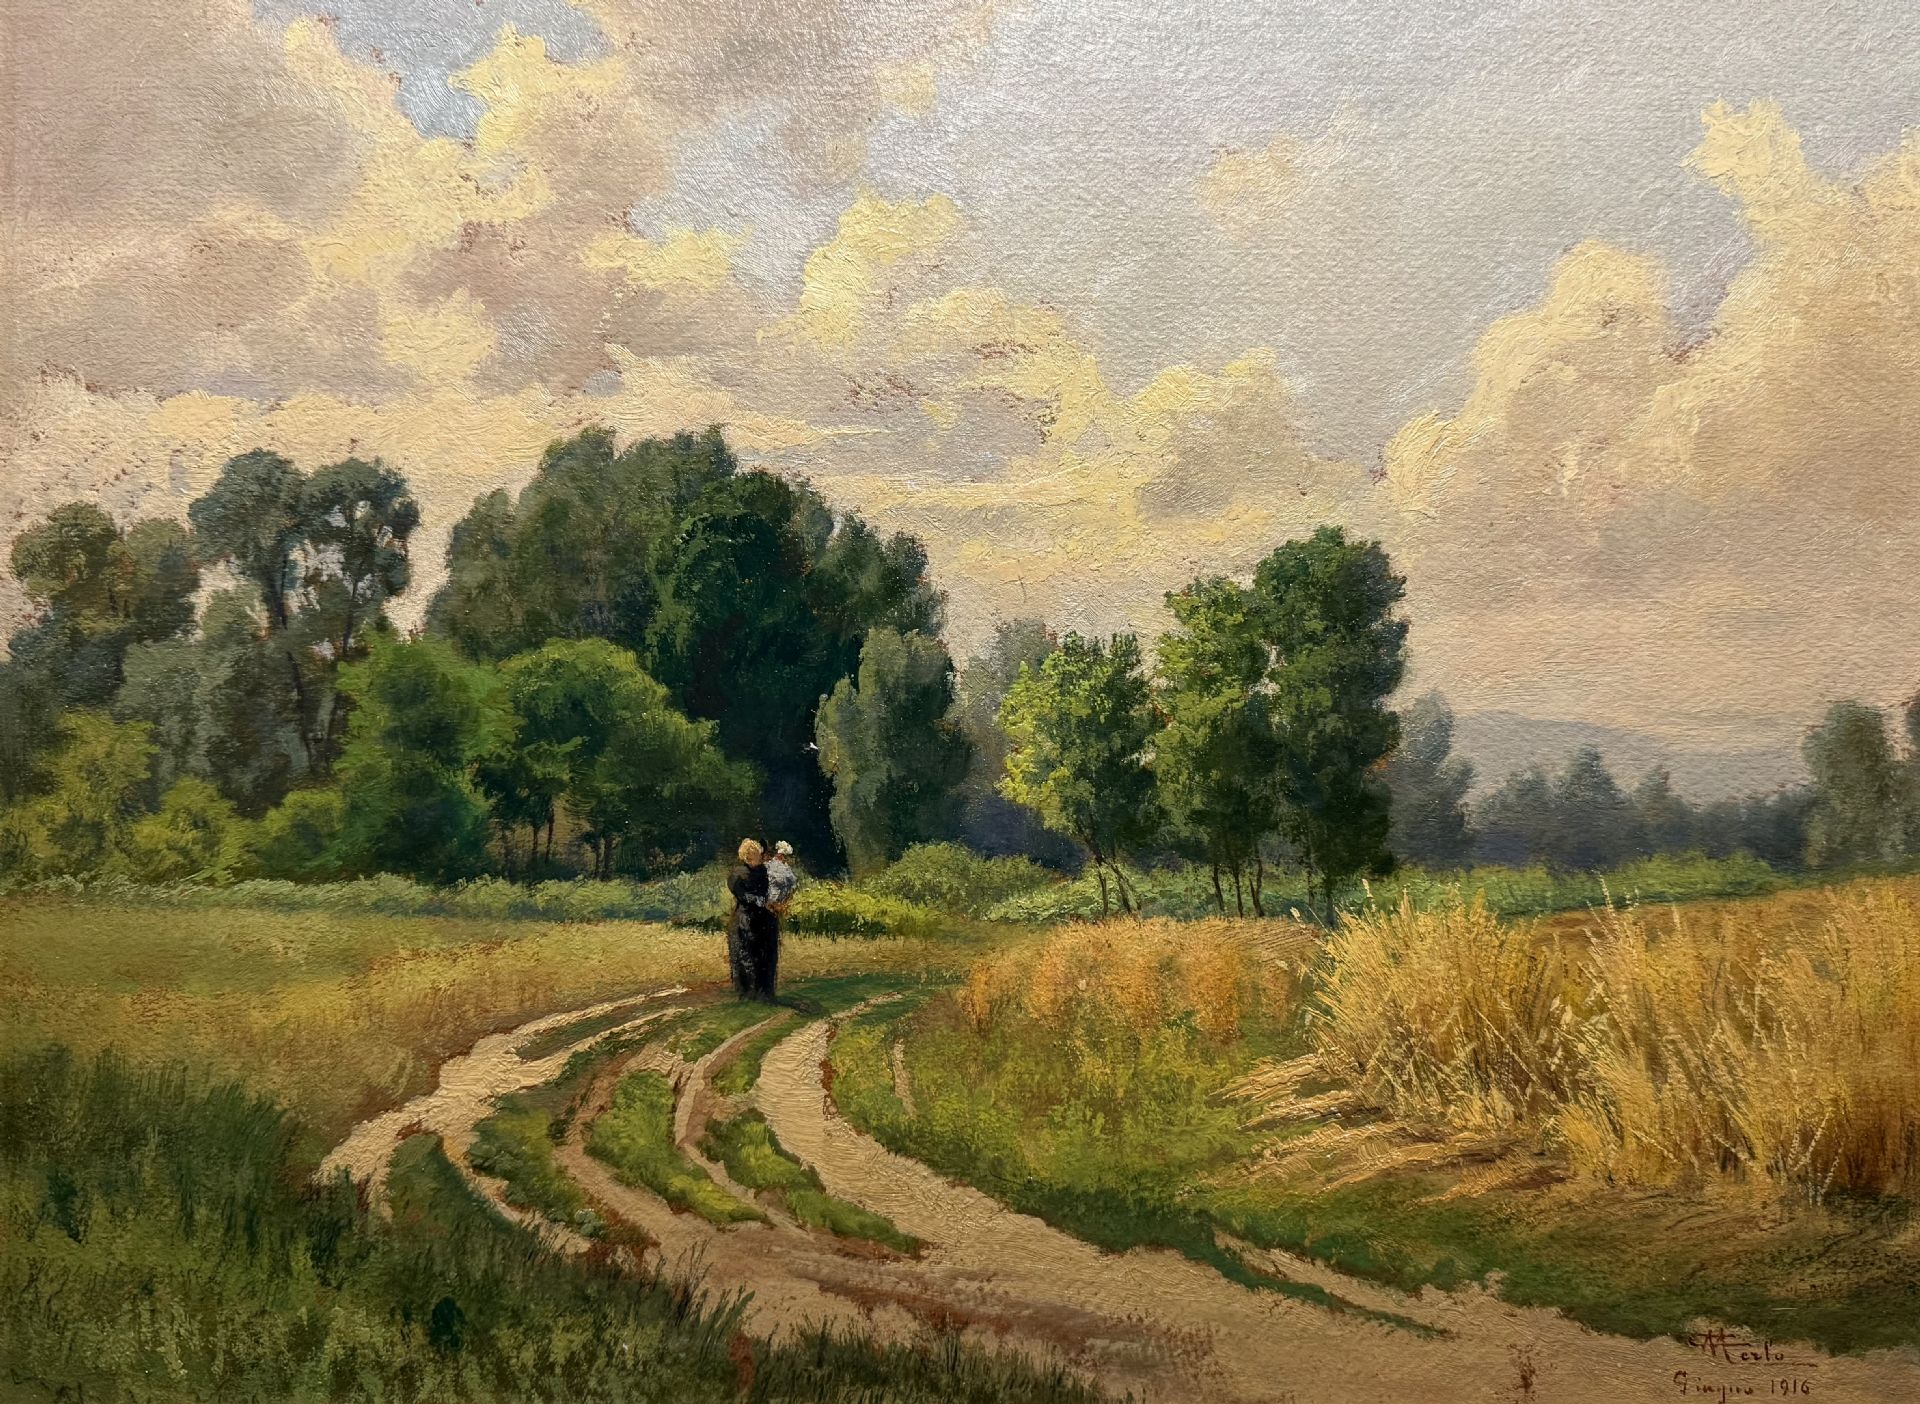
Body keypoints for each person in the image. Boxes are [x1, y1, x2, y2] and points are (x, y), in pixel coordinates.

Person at [726, 839, 773, 999]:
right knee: (744, 955)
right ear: (748, 856)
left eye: (760, 854)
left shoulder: (762, 871)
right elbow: (741, 895)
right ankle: (746, 992)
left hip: (762, 918)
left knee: (762, 955)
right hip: (744, 918)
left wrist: (765, 901)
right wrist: (757, 900)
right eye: (757, 855)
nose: (761, 857)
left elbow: (765, 891)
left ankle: (763, 991)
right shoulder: (737, 873)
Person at [759, 841, 799, 999]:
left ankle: (765, 985)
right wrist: (783, 903)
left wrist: (781, 903)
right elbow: (792, 888)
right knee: (769, 944)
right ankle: (767, 985)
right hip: (772, 908)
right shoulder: (785, 871)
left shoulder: (769, 866)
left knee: (766, 944)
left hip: (768, 907)